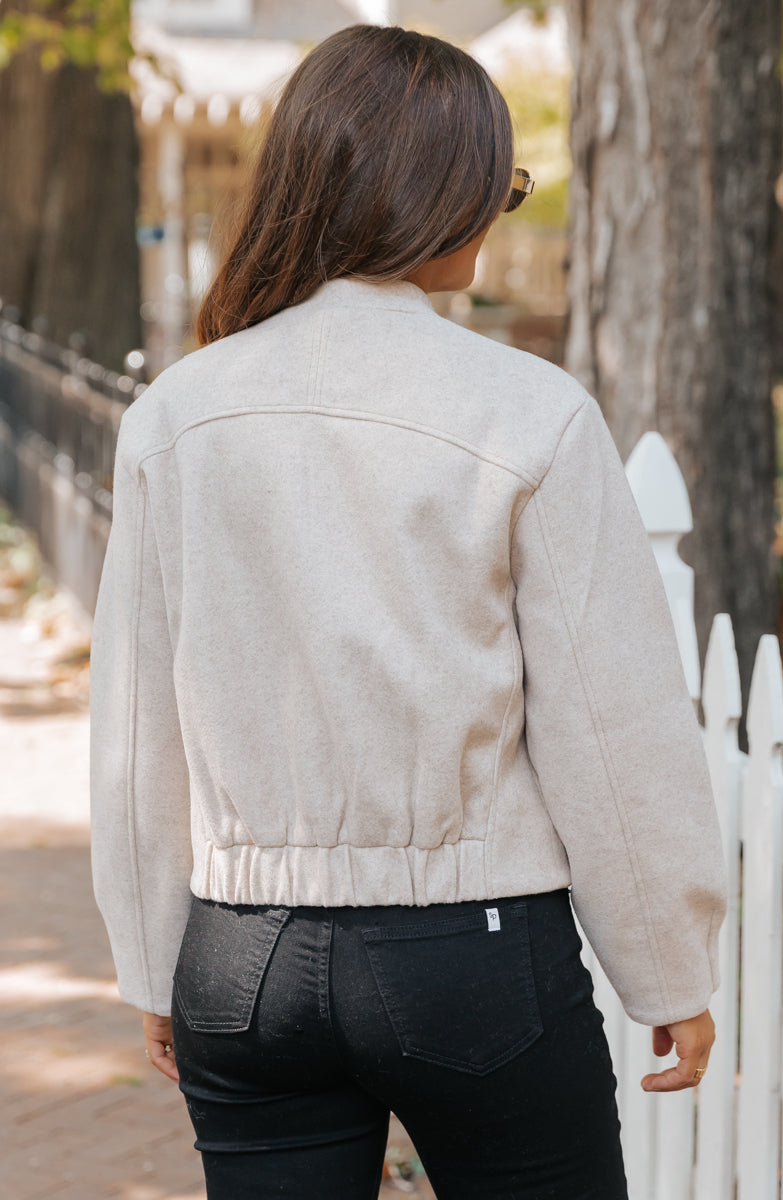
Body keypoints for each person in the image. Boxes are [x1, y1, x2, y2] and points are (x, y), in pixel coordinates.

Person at [89, 23, 727, 1200]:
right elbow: (608, 720)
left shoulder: (175, 418)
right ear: (439, 196)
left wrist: (150, 957)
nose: (497, 218)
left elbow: (138, 729)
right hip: (473, 950)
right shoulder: (526, 413)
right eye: (499, 190)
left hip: (241, 959)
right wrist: (666, 964)